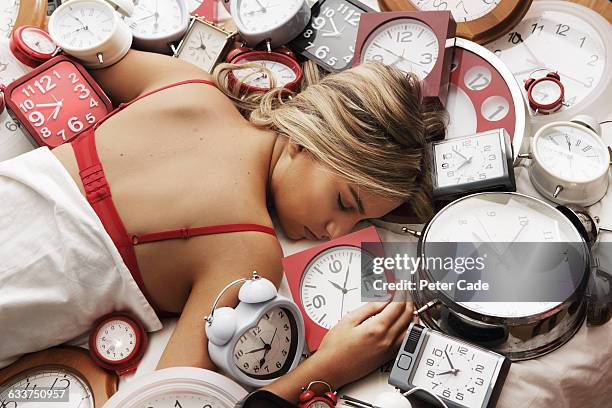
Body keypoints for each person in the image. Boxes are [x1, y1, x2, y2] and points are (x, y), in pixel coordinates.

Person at [0, 50, 445, 403]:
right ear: (303, 141)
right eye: (344, 202)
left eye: (360, 221)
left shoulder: (187, 83)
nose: (336, 231)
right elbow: (174, 399)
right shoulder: (247, 248)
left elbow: (83, 55)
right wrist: (329, 367)